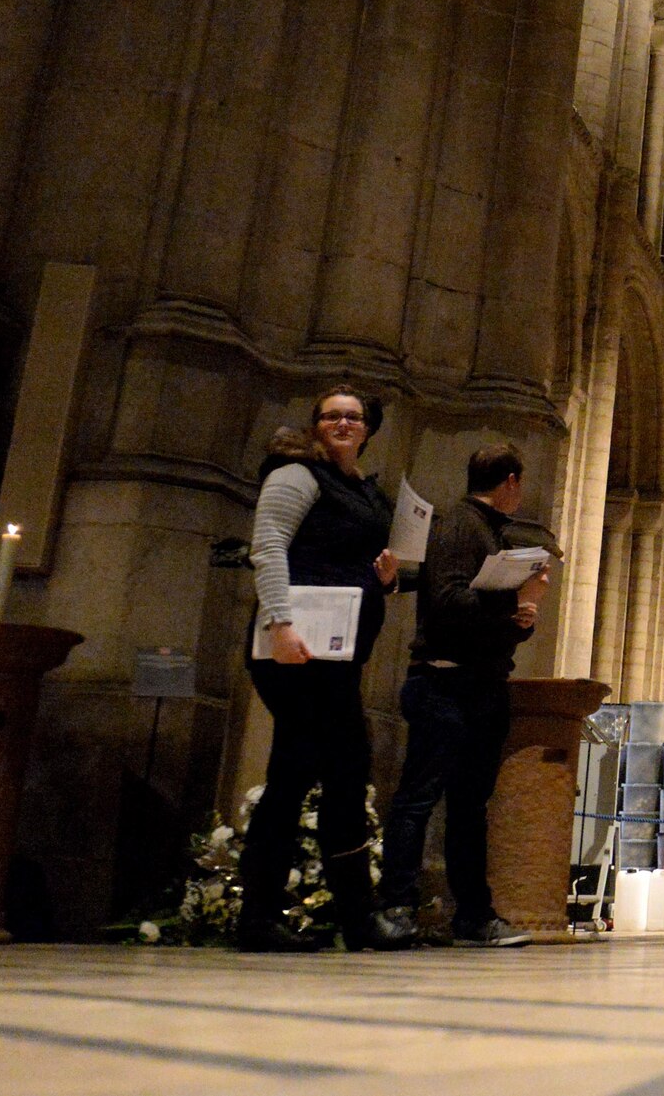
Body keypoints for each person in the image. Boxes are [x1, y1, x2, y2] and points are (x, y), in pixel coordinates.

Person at [237, 386, 399, 952]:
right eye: (331, 415)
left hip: (336, 654)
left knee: (300, 775)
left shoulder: (361, 489)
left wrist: (385, 577)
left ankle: (263, 918)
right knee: (339, 771)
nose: (343, 423)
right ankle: (354, 918)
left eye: (353, 416)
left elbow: (347, 558)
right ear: (316, 424)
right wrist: (279, 624)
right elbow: (270, 546)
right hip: (297, 649)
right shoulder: (297, 474)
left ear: (367, 427)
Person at [370, 443, 545, 950]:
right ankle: (397, 908)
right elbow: (446, 600)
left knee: (470, 807)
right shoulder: (460, 526)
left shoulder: (492, 532)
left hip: (481, 687)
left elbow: (489, 625)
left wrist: (521, 620)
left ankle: (473, 916)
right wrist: (512, 602)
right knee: (417, 800)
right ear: (511, 481)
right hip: (443, 686)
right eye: (521, 483)